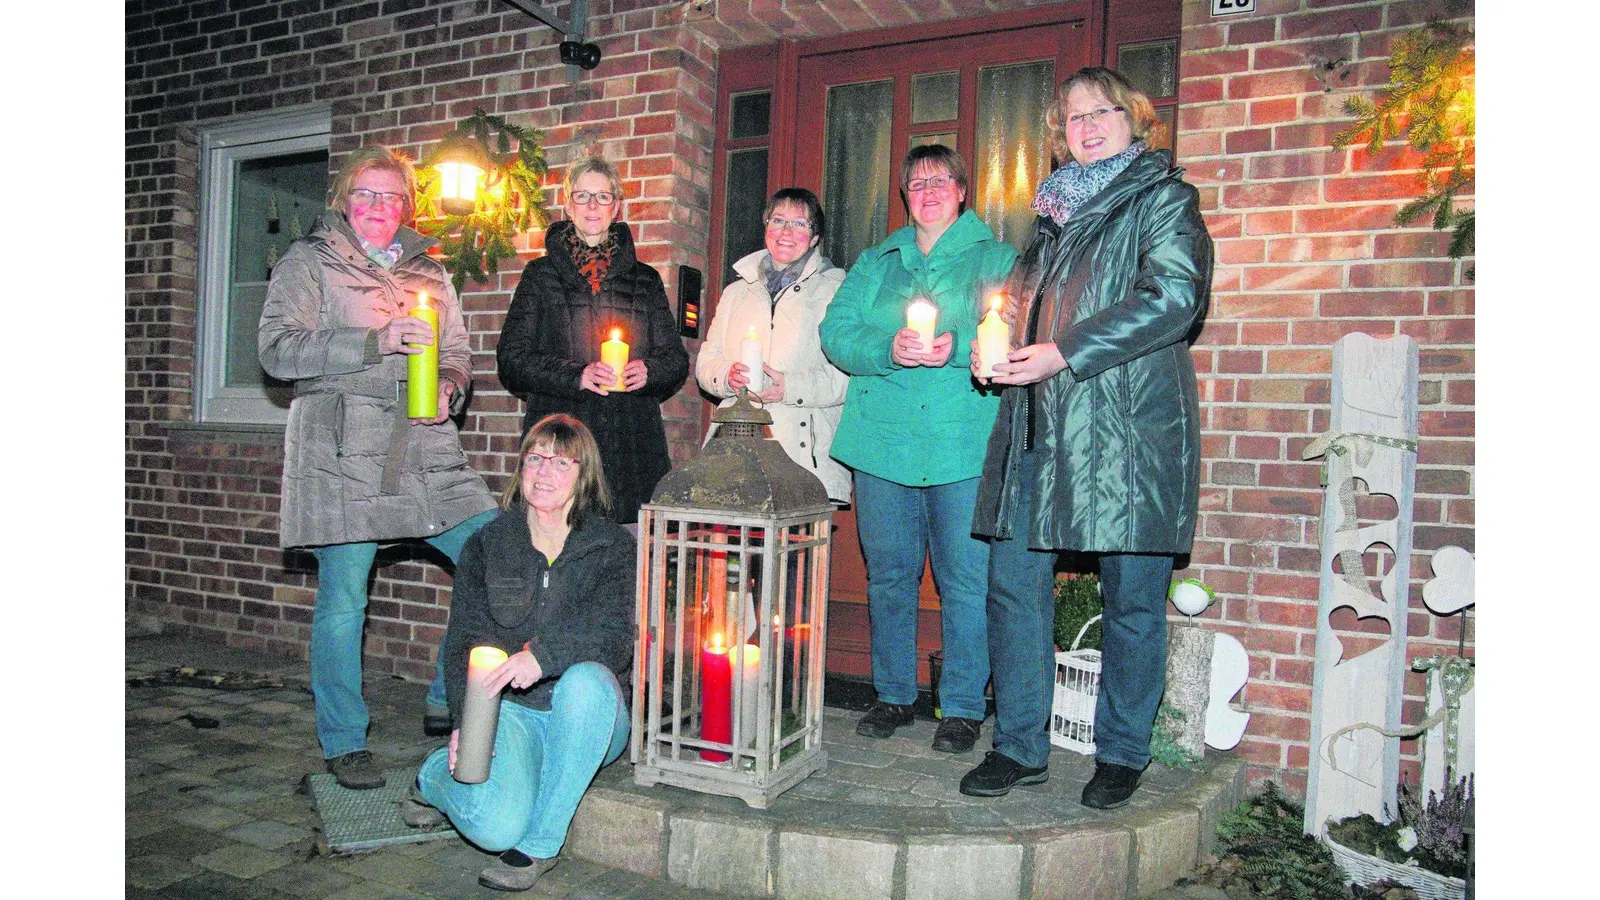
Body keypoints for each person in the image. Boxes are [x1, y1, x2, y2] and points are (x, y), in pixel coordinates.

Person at [958, 67, 1214, 808]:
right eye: (1074, 116)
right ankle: (1019, 747)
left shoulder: (1163, 199)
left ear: (1136, 121)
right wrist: (994, 346)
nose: (1089, 124)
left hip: (1127, 432)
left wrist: (1063, 350)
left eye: (1104, 111)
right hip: (1040, 422)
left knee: (1132, 596)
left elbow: (1173, 298)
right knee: (1014, 587)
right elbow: (1014, 309)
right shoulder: (1049, 219)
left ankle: (1123, 753)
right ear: (1059, 135)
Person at [258, 147, 498, 790]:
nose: (379, 208)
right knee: (344, 598)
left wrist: (450, 386)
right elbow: (277, 352)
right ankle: (343, 739)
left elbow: (457, 353)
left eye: (392, 197)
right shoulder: (308, 262)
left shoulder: (431, 273)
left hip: (425, 444)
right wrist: (374, 342)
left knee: (495, 551)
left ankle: (448, 691)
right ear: (344, 199)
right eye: (367, 194)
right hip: (344, 451)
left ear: (408, 207)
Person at [819, 145, 1017, 755]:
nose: (928, 190)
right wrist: (887, 348)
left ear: (962, 190)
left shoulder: (997, 258)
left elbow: (1015, 323)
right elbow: (836, 332)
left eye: (940, 180)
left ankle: (960, 706)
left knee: (965, 580)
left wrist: (960, 345)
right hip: (883, 444)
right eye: (916, 182)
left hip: (963, 443)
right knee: (890, 577)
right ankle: (893, 694)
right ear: (905, 195)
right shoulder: (877, 261)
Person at [397, 414, 634, 893]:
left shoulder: (611, 547)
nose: (544, 472)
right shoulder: (488, 545)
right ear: (520, 467)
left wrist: (543, 658)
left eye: (562, 463)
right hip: (515, 714)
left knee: (586, 681)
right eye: (535, 459)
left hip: (591, 715)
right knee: (493, 827)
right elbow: (464, 640)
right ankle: (431, 778)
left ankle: (541, 845)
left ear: (583, 476)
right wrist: (469, 721)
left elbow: (615, 635)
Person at [497, 155, 690, 530]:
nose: (591, 207)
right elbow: (512, 359)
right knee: (559, 561)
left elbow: (675, 360)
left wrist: (648, 371)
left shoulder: (644, 280)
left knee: (628, 567)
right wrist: (575, 375)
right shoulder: (540, 276)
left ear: (616, 206)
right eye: (582, 196)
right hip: (562, 441)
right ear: (567, 204)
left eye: (602, 198)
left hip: (630, 445)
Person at [696, 187, 851, 503]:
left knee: (794, 552)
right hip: (737, 449)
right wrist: (727, 376)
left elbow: (849, 377)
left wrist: (790, 387)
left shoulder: (838, 290)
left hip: (804, 453)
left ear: (815, 236)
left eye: (799, 224)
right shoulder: (736, 293)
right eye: (778, 220)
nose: (786, 232)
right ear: (765, 227)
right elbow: (706, 361)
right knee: (734, 551)